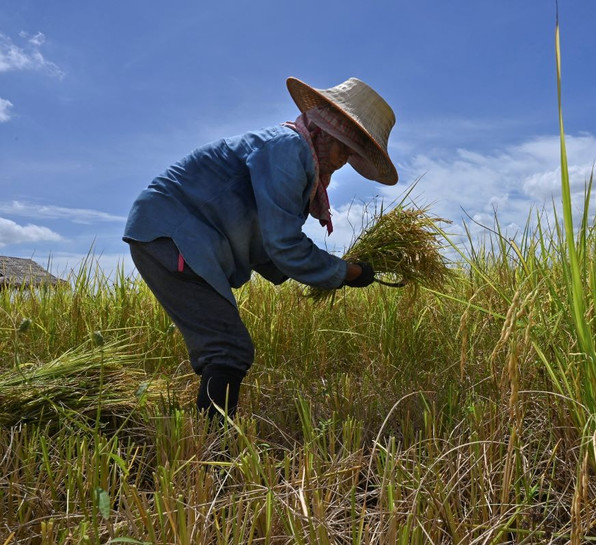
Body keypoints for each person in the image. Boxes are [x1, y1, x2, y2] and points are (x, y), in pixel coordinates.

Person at [123, 77, 398, 420]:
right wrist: (347, 272)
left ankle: (209, 440)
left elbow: (269, 245)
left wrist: (334, 271)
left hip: (177, 235)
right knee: (227, 348)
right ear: (327, 131)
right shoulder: (287, 149)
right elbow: (284, 245)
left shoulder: (296, 155)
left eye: (352, 154)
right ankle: (213, 445)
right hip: (174, 234)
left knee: (225, 347)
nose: (343, 162)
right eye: (344, 149)